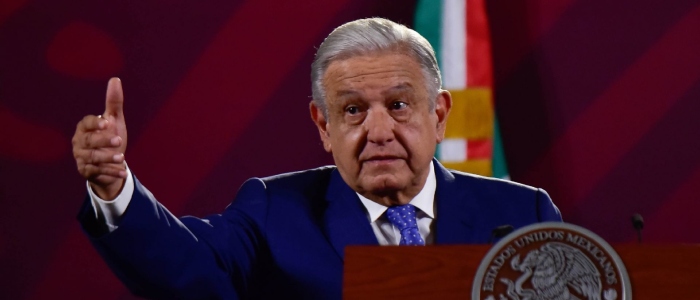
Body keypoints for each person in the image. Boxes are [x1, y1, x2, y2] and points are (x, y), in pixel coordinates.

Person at [73, 18, 561, 299]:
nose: (378, 131)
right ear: (324, 127)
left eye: (398, 104)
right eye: (353, 110)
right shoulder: (275, 212)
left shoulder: (523, 215)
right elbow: (187, 269)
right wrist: (115, 190)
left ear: (439, 113)